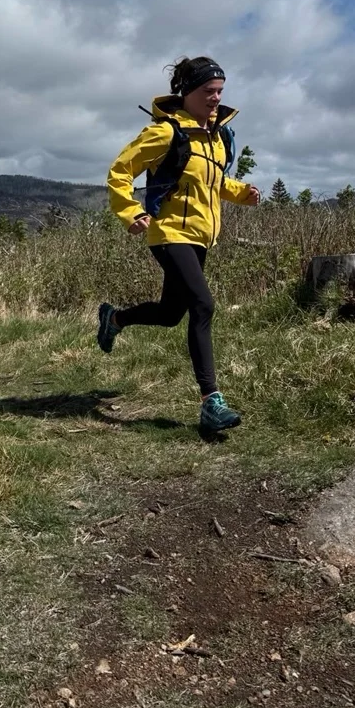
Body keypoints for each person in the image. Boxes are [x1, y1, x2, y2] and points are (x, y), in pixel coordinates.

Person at [99, 56, 260, 435]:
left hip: (202, 235)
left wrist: (242, 193)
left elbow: (214, 183)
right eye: (208, 91)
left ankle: (115, 318)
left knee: (172, 313)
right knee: (203, 304)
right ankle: (211, 402)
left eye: (220, 91)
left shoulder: (218, 137)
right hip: (169, 233)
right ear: (186, 93)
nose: (216, 98)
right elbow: (120, 170)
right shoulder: (166, 133)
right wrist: (130, 211)